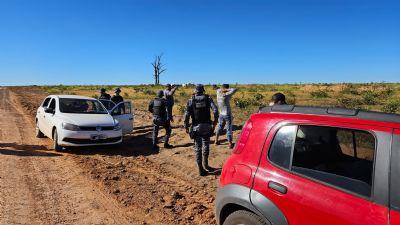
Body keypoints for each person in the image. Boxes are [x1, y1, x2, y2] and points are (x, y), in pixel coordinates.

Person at [184, 84, 219, 176]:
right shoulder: (208, 98)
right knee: (206, 145)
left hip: (196, 127)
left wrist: (186, 126)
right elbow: (215, 110)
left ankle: (200, 168)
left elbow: (187, 115)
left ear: (195, 90)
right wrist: (215, 122)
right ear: (203, 90)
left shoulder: (191, 100)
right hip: (207, 126)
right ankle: (206, 165)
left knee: (197, 148)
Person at [215, 84, 237, 149]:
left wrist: (222, 89)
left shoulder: (218, 92)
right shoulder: (226, 95)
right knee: (229, 129)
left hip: (221, 114)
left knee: (219, 127)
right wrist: (227, 90)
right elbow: (235, 89)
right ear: (227, 88)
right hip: (227, 114)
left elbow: (218, 89)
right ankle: (230, 144)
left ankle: (216, 140)